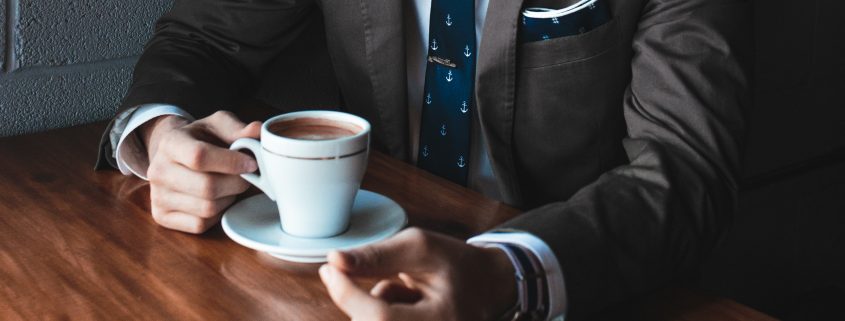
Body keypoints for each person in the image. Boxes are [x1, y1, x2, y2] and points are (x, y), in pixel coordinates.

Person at [96, 0, 751, 319]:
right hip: (337, 282)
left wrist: (506, 274)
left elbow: (685, 168)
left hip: (574, 282)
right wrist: (159, 134)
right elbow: (201, 38)